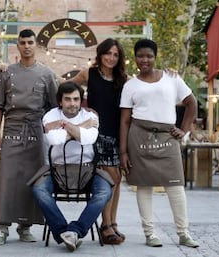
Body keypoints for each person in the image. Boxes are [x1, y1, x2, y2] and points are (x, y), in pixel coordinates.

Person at [119, 39, 200, 248]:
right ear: (134, 58)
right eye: (140, 56)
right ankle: (149, 233)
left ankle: (183, 233)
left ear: (155, 57)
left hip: (167, 138)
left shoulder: (172, 78)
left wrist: (183, 129)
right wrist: (123, 152)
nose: (144, 60)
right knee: (144, 186)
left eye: (149, 56)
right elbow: (125, 121)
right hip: (139, 138)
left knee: (175, 186)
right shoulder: (130, 85)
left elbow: (192, 103)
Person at [0, 29, 59, 245]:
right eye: (22, 42)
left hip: (36, 131)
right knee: (7, 178)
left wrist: (53, 134)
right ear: (18, 46)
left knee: (32, 178)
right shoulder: (7, 73)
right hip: (11, 129)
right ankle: (2, 227)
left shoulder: (47, 74)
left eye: (30, 42)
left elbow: (54, 107)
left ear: (36, 45)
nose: (27, 46)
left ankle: (25, 226)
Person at [31, 81, 113, 252]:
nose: (72, 103)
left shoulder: (91, 116)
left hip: (87, 170)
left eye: (76, 99)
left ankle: (75, 230)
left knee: (105, 191)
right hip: (56, 170)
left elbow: (88, 139)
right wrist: (79, 128)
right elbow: (55, 140)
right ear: (60, 101)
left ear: (81, 100)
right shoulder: (51, 115)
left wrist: (63, 128)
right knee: (39, 190)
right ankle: (63, 230)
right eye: (67, 99)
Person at [68, 38, 127, 244]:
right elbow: (67, 88)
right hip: (97, 134)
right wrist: (81, 111)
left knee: (117, 180)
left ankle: (113, 222)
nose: (111, 58)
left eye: (115, 55)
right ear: (100, 54)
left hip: (117, 134)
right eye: (108, 53)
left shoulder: (123, 79)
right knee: (108, 180)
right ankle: (106, 226)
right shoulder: (89, 74)